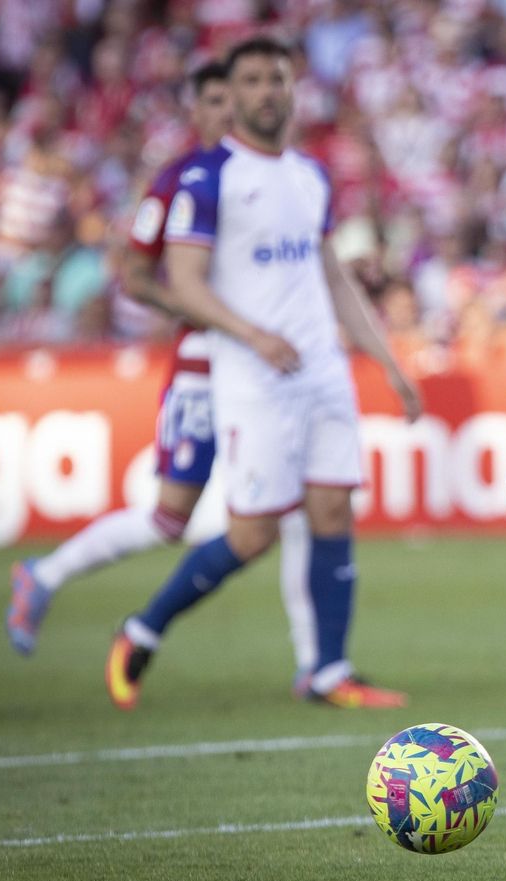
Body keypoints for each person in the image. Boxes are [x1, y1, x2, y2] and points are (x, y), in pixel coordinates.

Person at [104, 36, 422, 711]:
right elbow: (184, 281)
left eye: (277, 79)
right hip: (253, 377)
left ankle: (328, 671)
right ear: (234, 94)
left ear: (291, 88)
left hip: (322, 370)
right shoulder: (206, 178)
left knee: (333, 510)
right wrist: (253, 334)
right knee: (253, 534)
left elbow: (331, 275)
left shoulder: (309, 174)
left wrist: (388, 361)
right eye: (251, 81)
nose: (266, 92)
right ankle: (142, 629)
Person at [6, 63, 320, 686]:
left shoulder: (279, 177)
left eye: (235, 98)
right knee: (170, 517)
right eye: (215, 100)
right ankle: (46, 575)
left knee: (303, 507)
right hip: (207, 364)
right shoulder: (181, 180)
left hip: (268, 367)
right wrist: (213, 313)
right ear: (196, 111)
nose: (228, 111)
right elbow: (136, 274)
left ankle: (318, 664)